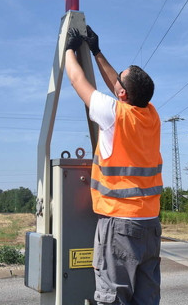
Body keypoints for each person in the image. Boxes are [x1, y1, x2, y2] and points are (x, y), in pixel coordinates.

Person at [65, 25, 163, 305]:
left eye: (120, 80)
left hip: (121, 225)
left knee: (114, 298)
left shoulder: (113, 115)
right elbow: (121, 88)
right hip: (150, 225)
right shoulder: (151, 115)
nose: (117, 81)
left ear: (123, 95)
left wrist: (68, 48)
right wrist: (96, 51)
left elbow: (76, 78)